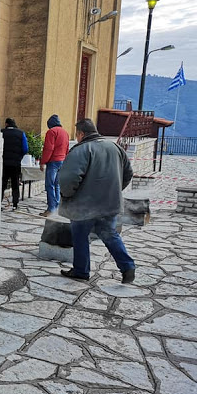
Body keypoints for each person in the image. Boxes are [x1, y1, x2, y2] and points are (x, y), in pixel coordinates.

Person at [58, 119, 136, 283]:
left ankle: (81, 271)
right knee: (110, 235)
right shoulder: (115, 147)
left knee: (80, 237)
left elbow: (68, 178)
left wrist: (67, 195)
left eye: (77, 135)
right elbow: (128, 173)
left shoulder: (81, 150)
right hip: (109, 204)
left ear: (81, 134)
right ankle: (127, 267)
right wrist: (114, 191)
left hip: (84, 206)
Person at [39, 114, 70, 217]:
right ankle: (56, 208)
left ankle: (51, 208)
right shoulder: (65, 132)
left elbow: (49, 148)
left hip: (53, 162)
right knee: (57, 185)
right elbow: (67, 148)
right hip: (62, 160)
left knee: (49, 185)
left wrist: (43, 161)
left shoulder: (51, 132)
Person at [1, 118, 28, 210]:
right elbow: (25, 149)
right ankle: (15, 204)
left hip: (3, 163)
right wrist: (19, 156)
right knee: (15, 184)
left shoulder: (1, 133)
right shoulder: (21, 133)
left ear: (6, 124)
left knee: (2, 183)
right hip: (16, 163)